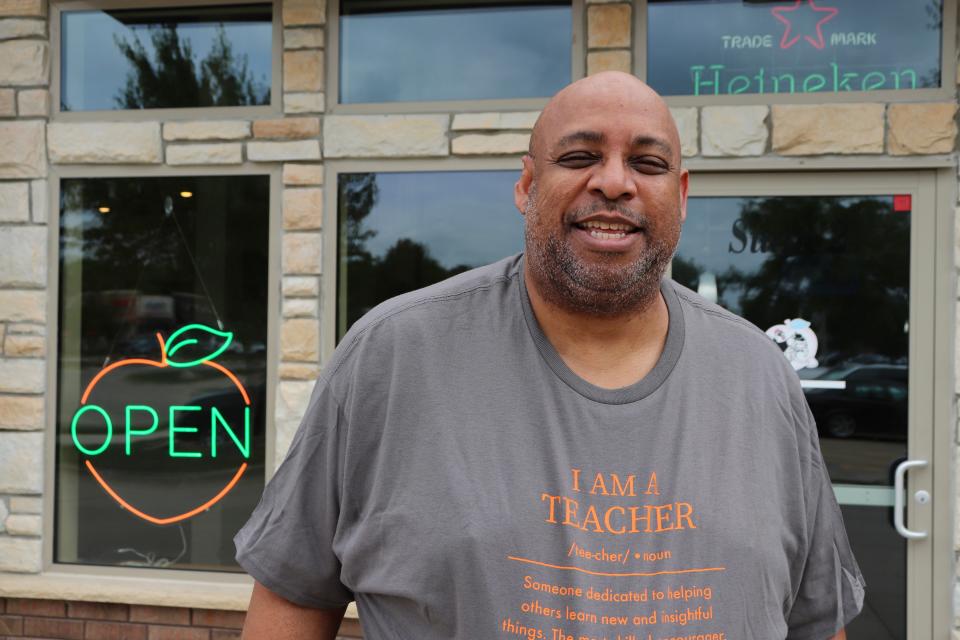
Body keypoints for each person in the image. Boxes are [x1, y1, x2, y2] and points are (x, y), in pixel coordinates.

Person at [235, 72, 864, 640]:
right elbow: (291, 600)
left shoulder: (759, 376)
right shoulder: (393, 357)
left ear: (682, 193)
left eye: (646, 162)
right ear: (528, 185)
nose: (614, 182)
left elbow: (816, 621)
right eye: (580, 156)